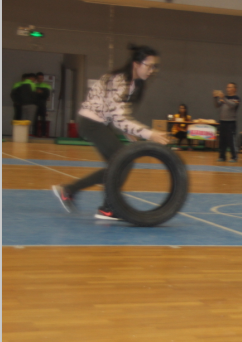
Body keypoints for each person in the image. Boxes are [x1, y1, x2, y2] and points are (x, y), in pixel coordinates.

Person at [51, 45, 169, 220]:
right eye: (149, 65)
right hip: (91, 123)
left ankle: (70, 191)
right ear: (136, 63)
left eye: (154, 67)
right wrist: (149, 133)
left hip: (98, 124)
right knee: (124, 162)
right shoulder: (120, 81)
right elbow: (118, 118)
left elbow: (116, 114)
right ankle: (106, 207)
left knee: (117, 165)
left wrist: (128, 132)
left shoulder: (130, 82)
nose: (152, 70)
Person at [214, 82, 240, 163]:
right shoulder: (224, 98)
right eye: (227, 87)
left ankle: (234, 156)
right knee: (222, 140)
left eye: (230, 87)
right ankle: (222, 156)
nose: (228, 89)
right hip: (222, 122)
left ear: (234, 89)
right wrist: (215, 98)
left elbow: (232, 105)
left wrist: (224, 98)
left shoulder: (236, 98)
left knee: (231, 140)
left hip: (230, 123)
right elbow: (217, 105)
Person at [34, 72, 53, 137]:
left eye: (41, 78)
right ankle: (35, 133)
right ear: (36, 79)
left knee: (43, 119)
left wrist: (40, 93)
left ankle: (43, 133)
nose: (40, 79)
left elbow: (46, 95)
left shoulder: (46, 86)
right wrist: (41, 93)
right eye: (39, 78)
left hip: (42, 105)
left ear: (43, 78)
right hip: (35, 105)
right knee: (35, 120)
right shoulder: (33, 85)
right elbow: (32, 95)